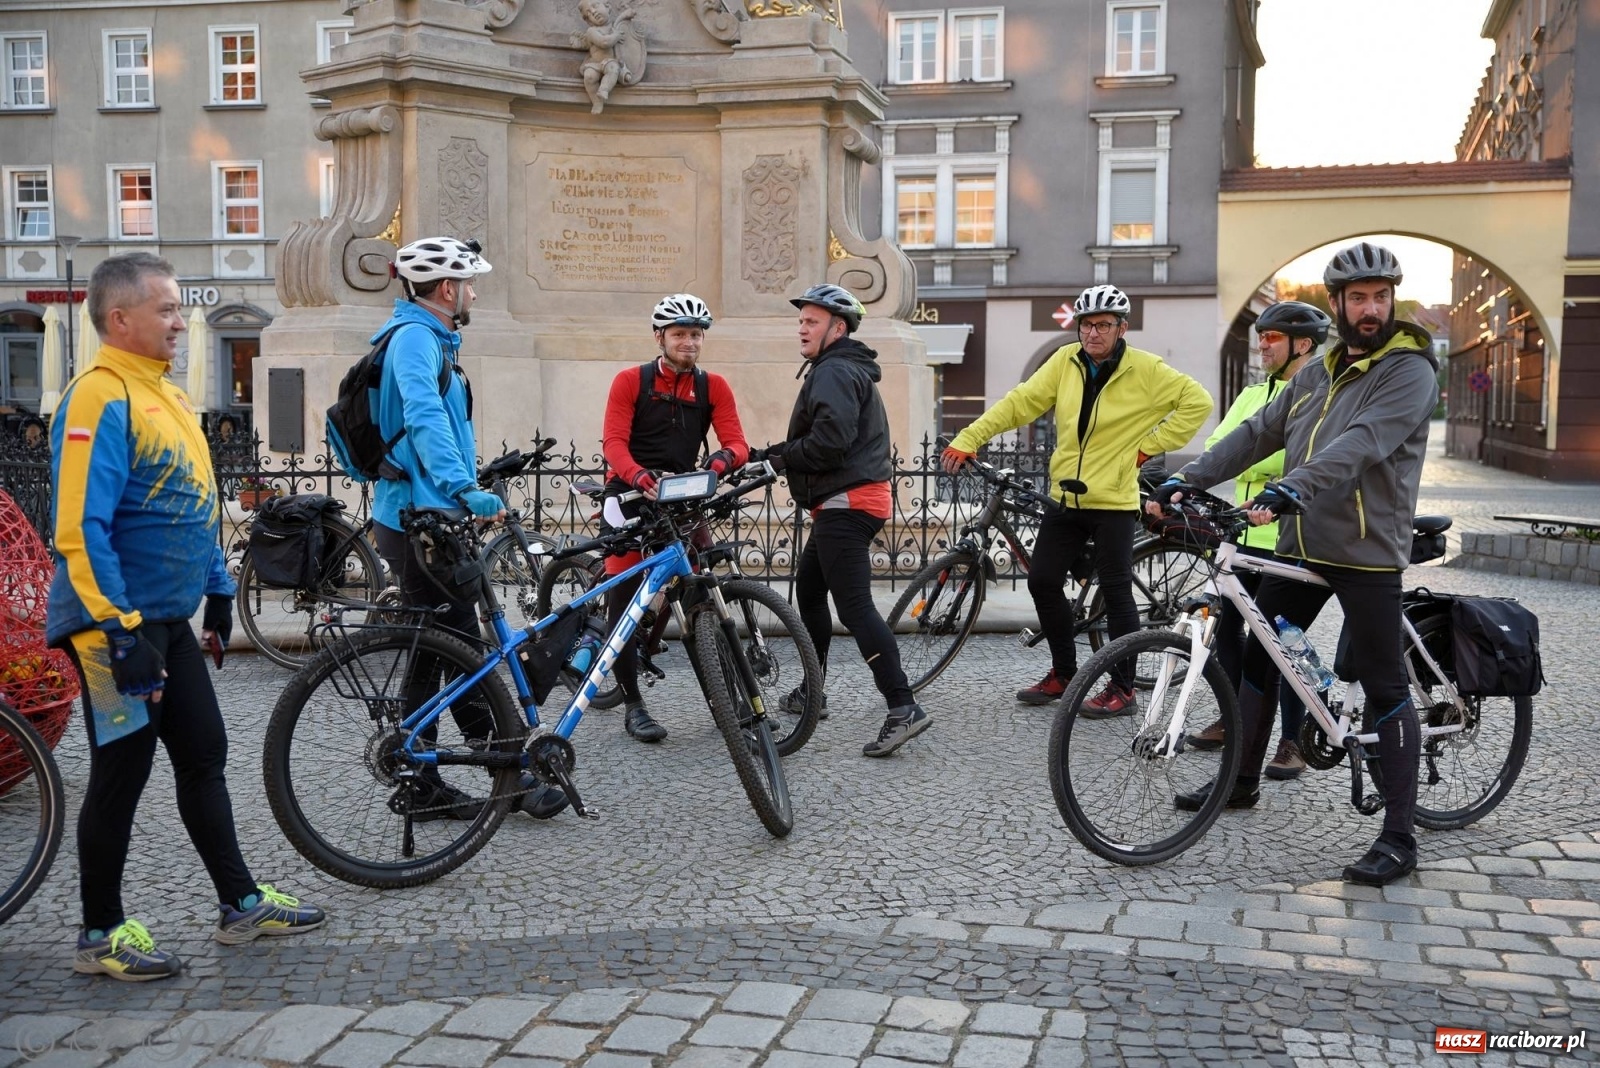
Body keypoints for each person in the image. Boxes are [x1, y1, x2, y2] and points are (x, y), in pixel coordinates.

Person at [46, 252, 325, 981]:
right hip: (111, 629)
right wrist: (118, 631)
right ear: (120, 318)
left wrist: (217, 590)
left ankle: (239, 904)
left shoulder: (163, 395)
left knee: (203, 754)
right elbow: (79, 530)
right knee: (121, 772)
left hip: (164, 620)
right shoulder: (97, 397)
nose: (179, 322)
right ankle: (100, 931)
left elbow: (191, 507)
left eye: (179, 309)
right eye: (166, 310)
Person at [1150, 241, 1438, 887]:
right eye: (1358, 298)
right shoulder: (1316, 372)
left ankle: (1399, 837)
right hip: (1302, 546)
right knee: (1261, 652)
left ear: (1392, 300)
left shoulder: (1408, 371)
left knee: (1386, 685)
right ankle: (1242, 783)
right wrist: (1187, 479)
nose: (1371, 308)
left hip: (1365, 553)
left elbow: (1362, 445)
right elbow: (1259, 433)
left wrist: (1292, 489)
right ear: (1336, 304)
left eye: (1381, 296)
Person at [942, 284, 1211, 714]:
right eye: (1086, 325)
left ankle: (1123, 688)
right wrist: (970, 437)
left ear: (1122, 328)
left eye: (1103, 325)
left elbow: (1197, 402)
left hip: (1114, 501)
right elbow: (1021, 403)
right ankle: (1064, 673)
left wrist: (1146, 447)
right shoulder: (1064, 362)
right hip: (1065, 498)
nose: (1092, 333)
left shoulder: (1146, 369)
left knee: (1117, 592)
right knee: (1043, 580)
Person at [371, 236, 567, 820]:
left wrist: (463, 488)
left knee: (446, 652)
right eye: (470, 283)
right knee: (455, 651)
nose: (475, 292)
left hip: (427, 518)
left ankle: (458, 774)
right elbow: (422, 416)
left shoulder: (428, 338)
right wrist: (464, 490)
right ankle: (490, 774)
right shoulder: (414, 339)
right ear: (448, 289)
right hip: (417, 522)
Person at [750, 283, 930, 758]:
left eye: (812, 321)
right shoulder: (842, 369)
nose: (802, 328)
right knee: (810, 591)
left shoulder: (833, 371)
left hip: (847, 504)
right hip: (847, 503)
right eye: (802, 320)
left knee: (854, 609)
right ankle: (813, 690)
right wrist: (772, 455)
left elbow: (830, 441)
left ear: (838, 327)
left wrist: (781, 460)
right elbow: (828, 437)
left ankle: (902, 706)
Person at [1185, 300, 1332, 780]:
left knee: (1282, 641)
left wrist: (1259, 462)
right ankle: (1237, 718)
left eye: (1271, 337)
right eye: (1261, 336)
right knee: (1224, 625)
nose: (1261, 344)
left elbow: (1300, 461)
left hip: (1288, 538)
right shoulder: (1253, 394)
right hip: (1244, 531)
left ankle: (1293, 738)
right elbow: (1219, 447)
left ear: (1302, 345)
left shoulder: (1320, 393)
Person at [599, 293, 748, 743]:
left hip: (684, 497)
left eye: (696, 334)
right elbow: (613, 443)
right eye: (680, 334)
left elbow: (737, 442)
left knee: (703, 594)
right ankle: (632, 703)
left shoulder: (713, 386)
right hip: (630, 495)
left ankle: (733, 701)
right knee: (625, 602)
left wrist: (718, 464)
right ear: (659, 337)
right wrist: (638, 476)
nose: (689, 341)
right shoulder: (631, 380)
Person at [573, 0, 637, 114]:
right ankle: (597, 101)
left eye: (595, 6)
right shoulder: (591, 31)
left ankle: (604, 89)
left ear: (607, 7)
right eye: (588, 13)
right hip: (595, 64)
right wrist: (616, 36)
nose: (593, 12)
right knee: (589, 77)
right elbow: (604, 42)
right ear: (588, 20)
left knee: (613, 69)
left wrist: (625, 17)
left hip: (610, 62)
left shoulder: (615, 27)